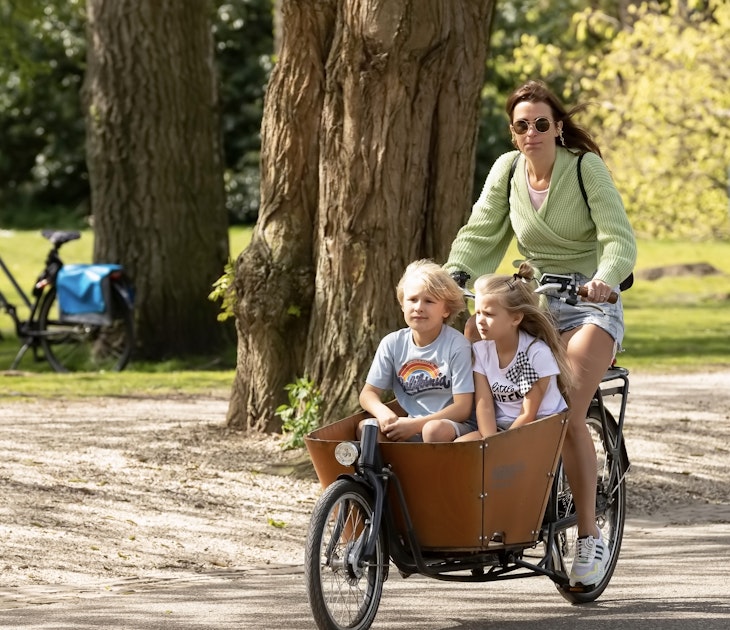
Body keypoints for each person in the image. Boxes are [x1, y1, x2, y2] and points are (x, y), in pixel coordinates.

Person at [445, 79, 637, 588]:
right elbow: (481, 230)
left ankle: (590, 538)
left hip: (590, 307)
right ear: (513, 134)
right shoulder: (507, 172)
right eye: (522, 125)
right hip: (537, 305)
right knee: (471, 337)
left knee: (565, 405)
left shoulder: (583, 168)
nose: (532, 132)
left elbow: (618, 237)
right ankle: (475, 469)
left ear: (557, 127)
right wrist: (453, 276)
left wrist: (604, 280)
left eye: (542, 123)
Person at [358, 259, 476, 443]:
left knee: (432, 430)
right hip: (408, 424)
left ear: (446, 309)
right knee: (367, 428)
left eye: (429, 301)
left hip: (450, 426)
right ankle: (389, 471)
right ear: (403, 305)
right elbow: (368, 394)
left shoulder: (457, 345)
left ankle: (433, 470)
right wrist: (383, 413)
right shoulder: (392, 343)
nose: (419, 307)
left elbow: (463, 408)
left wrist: (416, 425)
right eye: (412, 299)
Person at [455, 263, 572, 441]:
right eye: (478, 313)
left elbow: (528, 413)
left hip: (538, 424)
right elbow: (484, 403)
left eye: (489, 314)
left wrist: (499, 446)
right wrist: (489, 441)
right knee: (461, 447)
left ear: (516, 318)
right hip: (501, 425)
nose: (480, 321)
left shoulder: (533, 353)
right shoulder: (481, 351)